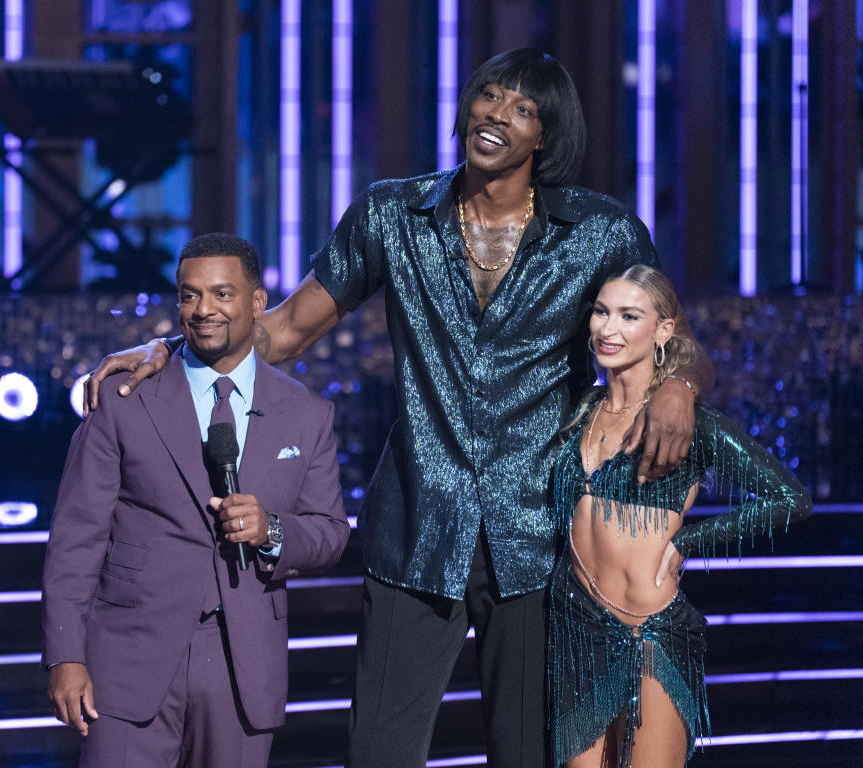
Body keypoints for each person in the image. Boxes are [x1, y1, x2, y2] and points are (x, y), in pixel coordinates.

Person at [84, 49, 713, 767]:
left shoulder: (600, 231)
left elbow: (679, 343)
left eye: (521, 108)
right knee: (379, 752)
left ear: (546, 134)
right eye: (487, 96)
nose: (495, 114)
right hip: (416, 530)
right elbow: (285, 331)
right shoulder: (392, 213)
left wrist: (678, 389)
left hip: (539, 536)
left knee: (529, 753)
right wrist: (173, 346)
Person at [42, 233, 350, 768]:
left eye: (221, 294)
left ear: (257, 303)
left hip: (243, 667)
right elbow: (75, 539)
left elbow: (330, 531)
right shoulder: (124, 401)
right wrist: (65, 656)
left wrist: (272, 530)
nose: (203, 309)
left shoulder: (307, 414)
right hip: (129, 662)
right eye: (189, 295)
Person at [547, 265, 812, 768]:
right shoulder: (578, 410)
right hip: (576, 629)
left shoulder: (689, 425)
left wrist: (693, 541)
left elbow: (790, 498)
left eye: (630, 316)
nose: (608, 329)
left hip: (653, 634)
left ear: (663, 331)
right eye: (602, 313)